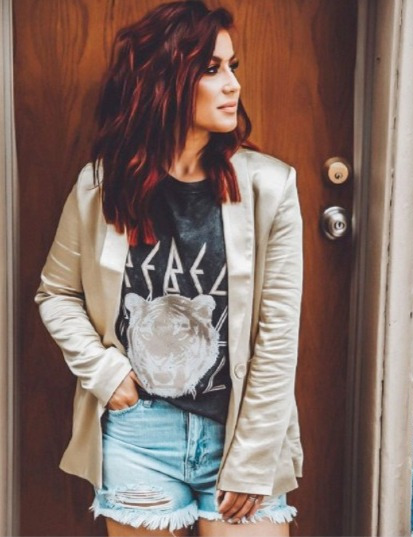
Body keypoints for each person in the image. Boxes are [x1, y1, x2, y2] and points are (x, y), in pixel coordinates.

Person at [35, 1, 304, 536]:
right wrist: (105, 373)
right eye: (212, 69)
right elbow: (56, 293)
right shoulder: (100, 187)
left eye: (232, 67)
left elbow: (277, 337)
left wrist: (252, 459)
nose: (232, 85)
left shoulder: (269, 188)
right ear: (165, 80)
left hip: (240, 432)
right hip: (138, 435)